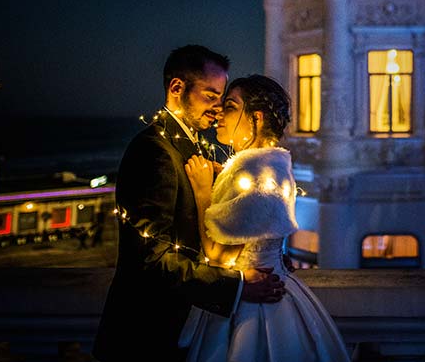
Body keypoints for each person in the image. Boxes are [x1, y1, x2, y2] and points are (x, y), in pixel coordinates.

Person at [93, 46, 285, 362]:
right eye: (210, 96)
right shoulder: (154, 151)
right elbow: (152, 260)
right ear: (177, 88)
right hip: (147, 335)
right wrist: (237, 286)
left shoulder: (193, 147)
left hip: (184, 329)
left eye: (222, 100)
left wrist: (265, 249)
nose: (218, 109)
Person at [179, 74, 349, 361]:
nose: (220, 113)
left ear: (255, 118)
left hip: (249, 306)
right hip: (279, 293)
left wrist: (201, 192)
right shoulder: (276, 166)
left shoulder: (252, 172)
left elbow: (217, 253)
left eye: (231, 106)